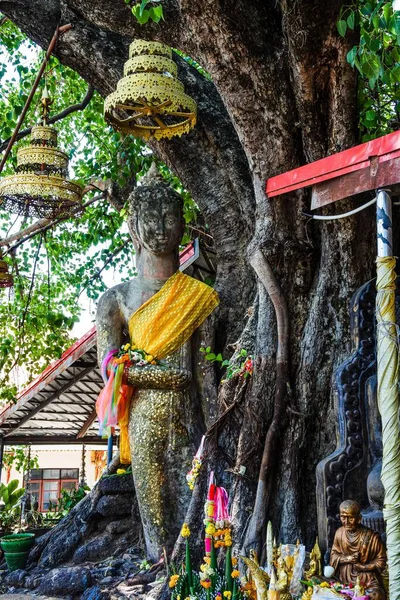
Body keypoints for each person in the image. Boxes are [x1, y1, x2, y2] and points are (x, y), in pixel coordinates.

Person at [96, 167, 218, 561]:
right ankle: (160, 568)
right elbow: (110, 366)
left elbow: (205, 372)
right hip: (145, 415)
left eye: (169, 217)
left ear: (183, 225)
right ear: (133, 226)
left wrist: (215, 420)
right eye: (150, 218)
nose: (161, 227)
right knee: (156, 515)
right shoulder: (117, 298)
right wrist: (156, 377)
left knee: (195, 502)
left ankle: (198, 575)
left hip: (188, 416)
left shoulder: (197, 296)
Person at [330, 500, 386, 599]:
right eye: (343, 517)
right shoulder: (339, 533)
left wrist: (364, 567)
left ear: (359, 518)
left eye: (350, 518)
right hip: (344, 578)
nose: (346, 522)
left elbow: (381, 561)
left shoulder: (372, 537)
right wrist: (348, 558)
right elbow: (333, 556)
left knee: (376, 595)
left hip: (367, 579)